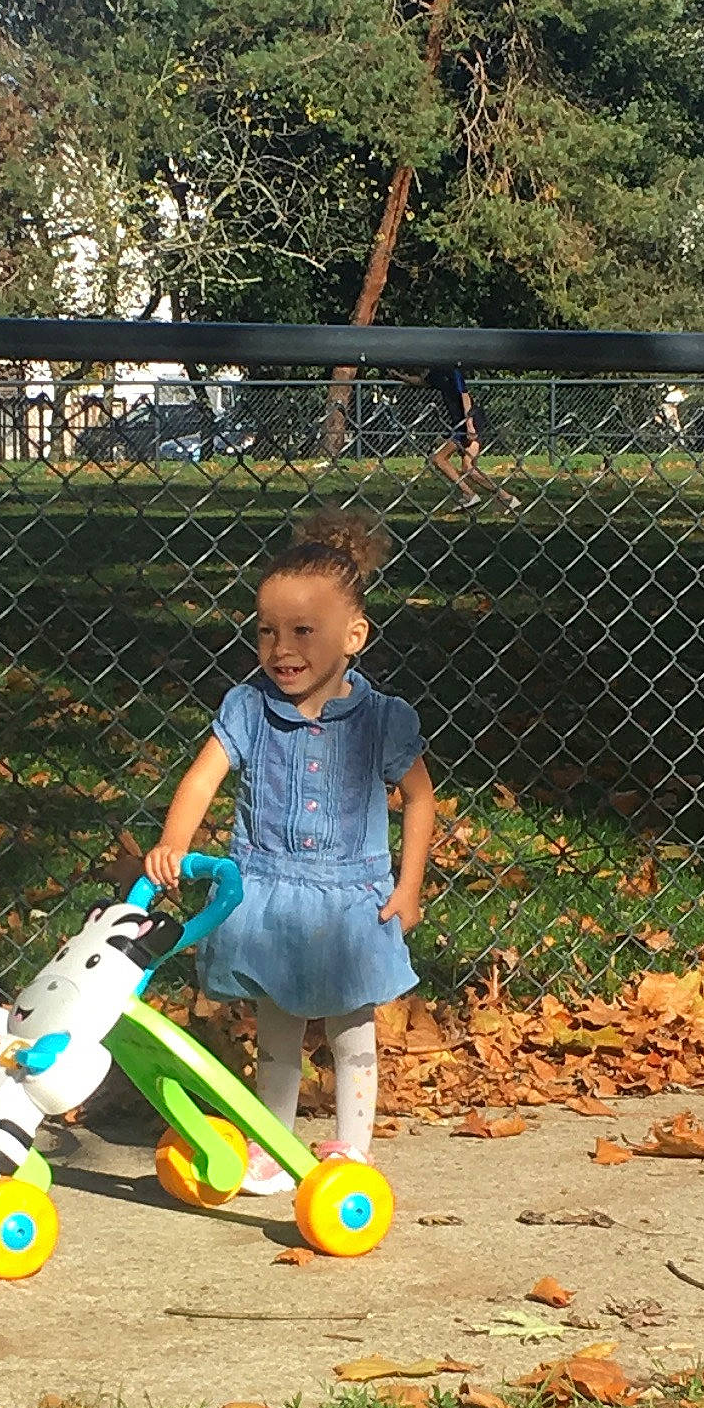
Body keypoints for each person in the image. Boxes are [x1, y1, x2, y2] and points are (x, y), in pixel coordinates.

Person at [144, 508, 436, 1194]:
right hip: (268, 894)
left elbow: (420, 800)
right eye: (267, 631)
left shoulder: (383, 718)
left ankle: (352, 1153)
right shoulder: (248, 709)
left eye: (304, 631)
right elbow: (203, 776)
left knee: (351, 1032)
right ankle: (272, 1143)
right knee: (275, 1032)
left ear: (354, 635)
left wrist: (410, 886)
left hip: (349, 902)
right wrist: (172, 843)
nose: (282, 649)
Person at [394, 365, 520, 512]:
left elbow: (464, 394)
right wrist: (400, 376)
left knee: (466, 467)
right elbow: (422, 382)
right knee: (440, 459)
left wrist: (469, 423)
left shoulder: (452, 370)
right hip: (458, 425)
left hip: (470, 420)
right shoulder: (435, 373)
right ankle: (474, 494)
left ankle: (504, 498)